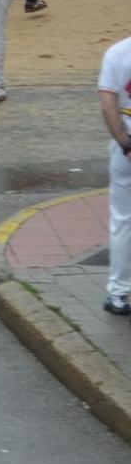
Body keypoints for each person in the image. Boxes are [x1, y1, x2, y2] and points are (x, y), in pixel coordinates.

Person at [100, 36, 131, 315]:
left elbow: (108, 106)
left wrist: (125, 144)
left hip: (127, 148)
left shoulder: (118, 53)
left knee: (123, 221)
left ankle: (119, 292)